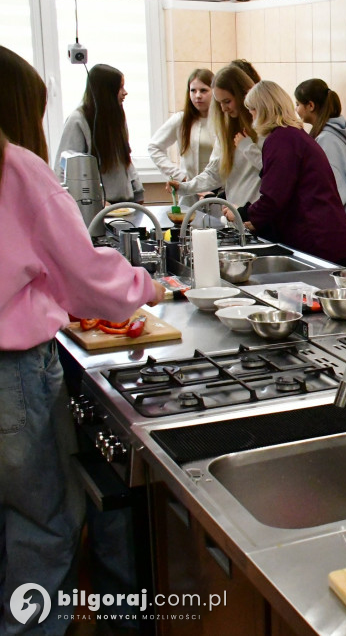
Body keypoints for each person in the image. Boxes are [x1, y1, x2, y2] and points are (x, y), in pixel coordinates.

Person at [0, 45, 165, 635]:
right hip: (10, 375)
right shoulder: (17, 168)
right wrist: (148, 286)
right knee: (42, 529)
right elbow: (85, 277)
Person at [238, 80, 346, 264]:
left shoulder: (282, 139)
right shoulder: (292, 135)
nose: (251, 116)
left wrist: (242, 213)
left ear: (263, 110)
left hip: (318, 241)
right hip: (325, 239)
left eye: (252, 110)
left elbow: (274, 197)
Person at [168, 65, 262, 221]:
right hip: (235, 216)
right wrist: (184, 187)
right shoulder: (226, 132)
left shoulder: (263, 131)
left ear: (244, 96)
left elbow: (273, 173)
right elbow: (215, 173)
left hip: (257, 216)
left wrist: (247, 148)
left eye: (227, 101)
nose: (224, 108)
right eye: (219, 103)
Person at [52, 63, 143, 204]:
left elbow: (125, 159)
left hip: (125, 205)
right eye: (120, 87)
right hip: (97, 208)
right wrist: (95, 201)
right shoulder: (78, 120)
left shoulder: (117, 118)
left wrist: (138, 191)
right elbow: (64, 170)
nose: (125, 92)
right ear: (106, 90)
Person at [294, 78, 346, 224]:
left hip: (336, 223)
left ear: (310, 105)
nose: (296, 109)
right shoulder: (324, 135)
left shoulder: (327, 140)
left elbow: (336, 188)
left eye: (298, 104)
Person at [148, 68, 215, 208]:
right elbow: (154, 147)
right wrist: (180, 177)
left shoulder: (223, 121)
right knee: (190, 227)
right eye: (193, 90)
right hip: (189, 193)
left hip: (218, 193)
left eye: (203, 90)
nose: (197, 96)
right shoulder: (181, 119)